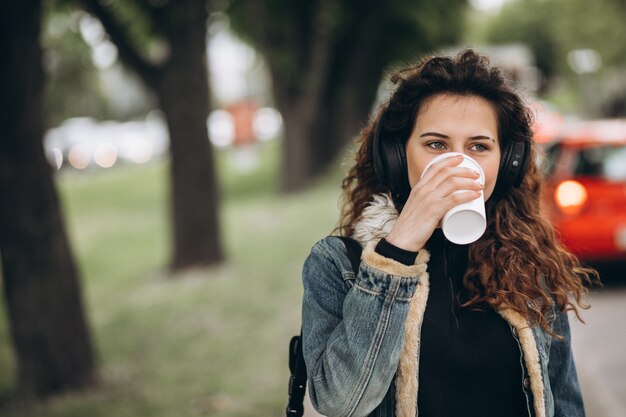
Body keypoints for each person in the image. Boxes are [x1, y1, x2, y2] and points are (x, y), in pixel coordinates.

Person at [300, 49, 597, 417]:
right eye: (436, 144)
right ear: (396, 156)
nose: (460, 164)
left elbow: (565, 403)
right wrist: (398, 251)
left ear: (507, 164)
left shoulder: (531, 261)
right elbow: (342, 402)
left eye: (479, 146)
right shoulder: (337, 264)